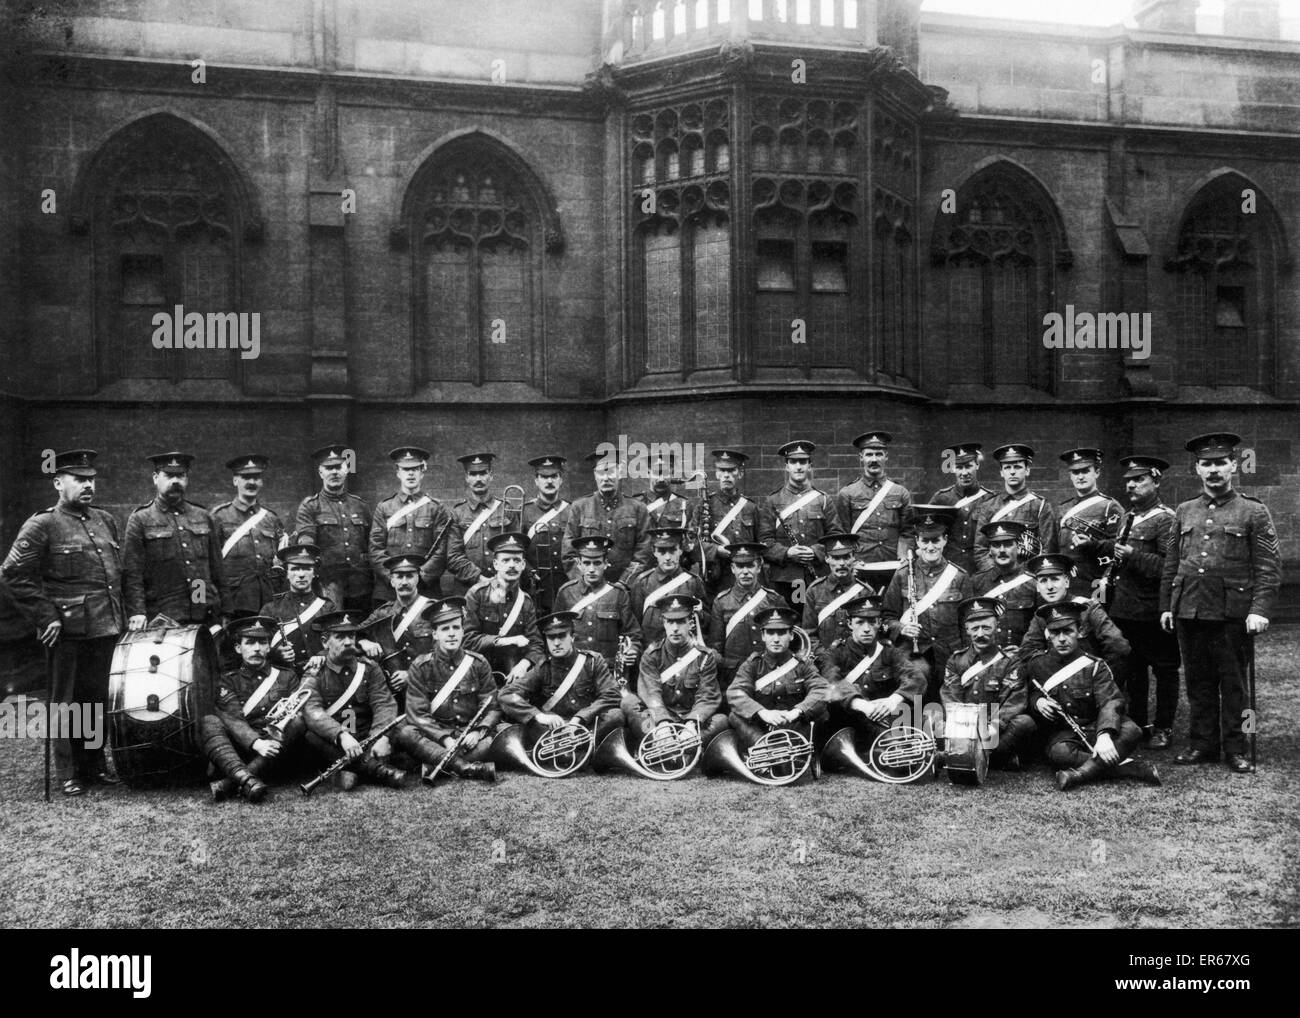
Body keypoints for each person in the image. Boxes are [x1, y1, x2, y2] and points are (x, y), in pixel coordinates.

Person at [1, 449, 124, 795]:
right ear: (58, 482)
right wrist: (45, 615)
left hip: (105, 626)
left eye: (91, 480)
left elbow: (115, 575)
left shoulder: (104, 520)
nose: (88, 486)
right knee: (65, 701)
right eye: (79, 479)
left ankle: (95, 764)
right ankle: (68, 772)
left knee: (96, 698)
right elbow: (11, 575)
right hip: (67, 630)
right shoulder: (42, 524)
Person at [1160, 432, 1280, 773]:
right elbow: (1173, 561)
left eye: (1220, 463)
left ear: (1233, 466)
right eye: (1206, 464)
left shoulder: (1253, 511)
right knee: (1197, 683)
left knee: (1235, 686)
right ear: (1197, 469)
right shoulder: (1184, 510)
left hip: (1233, 614)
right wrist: (1169, 605)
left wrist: (1259, 610)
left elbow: (1268, 566)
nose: (1213, 470)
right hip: (1190, 609)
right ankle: (1203, 743)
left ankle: (1238, 746)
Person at [1024, 602, 1160, 790]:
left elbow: (1110, 701)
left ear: (1079, 631)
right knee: (1059, 753)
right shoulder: (1037, 665)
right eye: (1055, 633)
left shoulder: (1095, 665)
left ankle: (1078, 775)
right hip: (1066, 734)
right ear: (1047, 634)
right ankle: (1129, 768)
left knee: (1132, 731)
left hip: (1096, 726)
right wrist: (1037, 701)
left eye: (1068, 631)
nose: (1062, 639)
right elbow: (1030, 692)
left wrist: (1104, 735)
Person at [1098, 455, 1180, 749]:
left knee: (1165, 669)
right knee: (1133, 670)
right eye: (1129, 481)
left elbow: (1167, 567)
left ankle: (1164, 728)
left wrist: (1132, 555)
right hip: (1126, 608)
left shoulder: (1167, 520)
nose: (1131, 485)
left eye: (1139, 480)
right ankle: (1140, 722)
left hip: (1154, 610)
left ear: (1156, 481)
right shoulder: (1127, 516)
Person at [200, 615, 304, 803]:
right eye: (249, 642)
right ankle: (247, 779)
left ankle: (233, 781)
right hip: (244, 748)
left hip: (277, 750)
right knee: (209, 721)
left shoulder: (287, 677)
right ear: (238, 648)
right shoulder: (227, 680)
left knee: (298, 721)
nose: (256, 648)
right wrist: (258, 744)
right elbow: (233, 719)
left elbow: (294, 712)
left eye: (262, 642)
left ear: (269, 647)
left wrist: (270, 742)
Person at [394, 598, 499, 783]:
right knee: (406, 733)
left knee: (498, 735)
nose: (451, 634)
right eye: (444, 629)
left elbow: (492, 707)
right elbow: (417, 715)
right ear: (434, 634)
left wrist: (478, 732)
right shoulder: (420, 666)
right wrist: (445, 739)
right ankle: (464, 767)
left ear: (462, 630)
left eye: (456, 627)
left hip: (470, 736)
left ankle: (436, 764)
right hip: (436, 736)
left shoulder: (479, 663)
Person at [299, 611, 406, 790]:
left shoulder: (370, 668)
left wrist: (380, 737)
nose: (348, 642)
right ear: (325, 641)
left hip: (367, 736)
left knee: (403, 728)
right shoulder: (315, 672)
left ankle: (356, 766)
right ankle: (378, 770)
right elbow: (311, 710)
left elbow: (383, 704)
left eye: (351, 635)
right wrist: (341, 735)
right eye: (340, 637)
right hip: (335, 744)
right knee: (309, 734)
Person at [497, 610, 626, 751]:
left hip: (586, 724)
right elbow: (506, 694)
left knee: (616, 715)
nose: (556, 643)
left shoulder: (593, 662)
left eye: (562, 636)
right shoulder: (542, 668)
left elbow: (612, 694)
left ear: (572, 637)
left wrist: (580, 718)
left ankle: (571, 749)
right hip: (555, 728)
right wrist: (539, 716)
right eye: (551, 638)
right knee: (532, 726)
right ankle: (580, 750)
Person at [880, 505, 972, 703]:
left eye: (936, 540)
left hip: (950, 653)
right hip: (913, 655)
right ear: (917, 541)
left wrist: (966, 657)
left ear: (945, 540)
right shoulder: (903, 573)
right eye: (925, 541)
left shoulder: (959, 577)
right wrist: (902, 628)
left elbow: (968, 623)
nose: (930, 547)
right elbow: (886, 618)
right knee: (917, 691)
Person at [123, 451, 223, 629]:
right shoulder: (141, 519)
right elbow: (132, 573)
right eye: (169, 475)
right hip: (163, 616)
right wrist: (137, 611)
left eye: (181, 476)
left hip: (204, 613)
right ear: (155, 478)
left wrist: (225, 612)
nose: (175, 481)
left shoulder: (203, 516)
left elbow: (217, 569)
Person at [369, 445, 481, 603]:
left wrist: (419, 579)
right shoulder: (384, 508)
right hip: (388, 592)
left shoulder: (436, 508)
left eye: (415, 468)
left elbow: (441, 552)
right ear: (397, 471)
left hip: (426, 590)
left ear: (422, 471)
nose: (410, 473)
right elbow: (375, 550)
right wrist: (396, 579)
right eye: (405, 469)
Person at [939, 597, 1035, 770]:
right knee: (933, 719)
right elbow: (950, 697)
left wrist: (993, 728)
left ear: (997, 626)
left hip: (994, 731)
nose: (980, 634)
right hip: (964, 727)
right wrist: (965, 728)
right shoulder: (956, 661)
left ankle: (962, 757)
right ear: (967, 629)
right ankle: (995, 759)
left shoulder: (1010, 662)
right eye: (975, 628)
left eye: (986, 627)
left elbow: (1014, 701)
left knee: (1024, 723)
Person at [626, 594, 728, 757]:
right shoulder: (652, 655)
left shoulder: (705, 656)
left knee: (721, 720)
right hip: (660, 718)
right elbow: (651, 692)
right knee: (629, 703)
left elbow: (708, 696)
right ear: (664, 623)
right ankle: (679, 746)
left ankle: (668, 747)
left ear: (690, 623)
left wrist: (692, 722)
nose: (675, 628)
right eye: (670, 621)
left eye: (680, 621)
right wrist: (663, 722)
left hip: (691, 718)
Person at [726, 606, 828, 753]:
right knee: (735, 715)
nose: (775, 639)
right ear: (763, 636)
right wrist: (762, 712)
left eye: (781, 633)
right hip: (761, 729)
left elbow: (821, 690)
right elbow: (735, 692)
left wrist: (797, 712)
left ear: (791, 635)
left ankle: (792, 752)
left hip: (794, 727)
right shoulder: (753, 664)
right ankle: (764, 749)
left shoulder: (803, 665)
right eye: (770, 633)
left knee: (822, 713)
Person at [825, 595, 920, 741]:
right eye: (860, 622)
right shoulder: (836, 652)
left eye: (872, 622)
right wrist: (862, 705)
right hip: (847, 724)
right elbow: (830, 681)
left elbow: (915, 677)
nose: (866, 629)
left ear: (879, 623)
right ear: (849, 624)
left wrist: (892, 701)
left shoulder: (888, 651)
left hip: (884, 720)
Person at [1019, 554, 1130, 677]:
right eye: (1043, 581)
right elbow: (1027, 651)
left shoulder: (1088, 608)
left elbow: (1119, 646)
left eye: (1055, 579)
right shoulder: (1041, 615)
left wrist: (1102, 678)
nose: (1050, 587)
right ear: (1038, 587)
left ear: (1066, 582)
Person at [294, 443, 372, 612]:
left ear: (346, 469)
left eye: (338, 467)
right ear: (320, 472)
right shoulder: (310, 507)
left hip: (361, 585)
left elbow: (371, 544)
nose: (334, 472)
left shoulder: (360, 506)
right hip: (328, 586)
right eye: (329, 468)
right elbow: (306, 542)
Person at [553, 534, 642, 680]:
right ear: (579, 564)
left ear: (606, 563)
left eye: (597, 563)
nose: (592, 569)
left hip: (608, 673)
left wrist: (632, 649)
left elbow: (633, 634)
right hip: (574, 671)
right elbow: (555, 632)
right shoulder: (566, 593)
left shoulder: (618, 595)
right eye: (587, 563)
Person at [759, 440, 837, 605]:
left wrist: (815, 551)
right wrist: (787, 553)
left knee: (817, 619)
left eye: (803, 461)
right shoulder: (773, 500)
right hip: (787, 577)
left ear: (810, 465)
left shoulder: (823, 499)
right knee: (793, 620)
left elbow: (835, 537)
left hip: (818, 574)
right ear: (787, 467)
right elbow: (764, 541)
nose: (798, 466)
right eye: (793, 462)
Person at [462, 532, 544, 683]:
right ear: (495, 564)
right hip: (479, 673)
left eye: (516, 560)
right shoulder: (477, 594)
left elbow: (536, 644)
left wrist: (524, 664)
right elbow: (467, 640)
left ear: (523, 564)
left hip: (513, 674)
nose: (512, 565)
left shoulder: (526, 601)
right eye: (506, 560)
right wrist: (505, 640)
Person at [706, 542, 788, 695]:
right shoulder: (721, 602)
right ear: (732, 569)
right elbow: (716, 647)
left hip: (769, 675)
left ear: (759, 567)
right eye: (740, 566)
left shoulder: (773, 599)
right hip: (734, 677)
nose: (745, 571)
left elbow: (787, 641)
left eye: (750, 565)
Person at [210, 454, 286, 616]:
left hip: (268, 600)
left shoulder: (271, 519)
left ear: (261, 482)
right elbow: (210, 564)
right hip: (235, 602)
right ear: (235, 480)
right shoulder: (219, 517)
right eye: (245, 477)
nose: (251, 482)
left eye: (256, 477)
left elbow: (282, 562)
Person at [562, 449, 653, 585]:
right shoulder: (580, 507)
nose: (606, 478)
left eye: (610, 471)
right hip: (589, 590)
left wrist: (623, 584)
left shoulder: (637, 508)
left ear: (620, 473)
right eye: (601, 473)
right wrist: (585, 582)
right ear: (595, 475)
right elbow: (569, 553)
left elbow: (643, 554)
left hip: (626, 588)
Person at [355, 554, 435, 701]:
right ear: (392, 581)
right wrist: (363, 642)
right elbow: (353, 635)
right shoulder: (383, 612)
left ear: (417, 578)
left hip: (427, 689)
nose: (404, 582)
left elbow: (445, 653)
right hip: (393, 693)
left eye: (409, 576)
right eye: (399, 577)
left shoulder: (432, 610)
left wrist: (412, 674)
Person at [971, 444, 1058, 571]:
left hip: (1028, 578)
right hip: (997, 579)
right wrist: (996, 575)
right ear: (1001, 472)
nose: (1012, 471)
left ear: (1027, 470)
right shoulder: (989, 506)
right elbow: (980, 550)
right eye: (1007, 467)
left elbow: (1048, 550)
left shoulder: (1040, 506)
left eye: (1017, 467)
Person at [835, 430, 912, 565]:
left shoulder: (901, 492)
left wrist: (904, 555)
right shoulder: (847, 493)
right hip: (861, 562)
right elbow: (842, 533)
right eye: (869, 455)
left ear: (886, 456)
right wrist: (850, 560)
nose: (874, 459)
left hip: (894, 561)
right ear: (861, 457)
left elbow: (908, 531)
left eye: (879, 454)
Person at [1055, 448, 1124, 598]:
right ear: (1070, 475)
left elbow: (1120, 546)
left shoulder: (1109, 507)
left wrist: (1092, 545)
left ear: (1097, 472)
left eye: (1085, 471)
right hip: (1066, 582)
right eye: (1075, 472)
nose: (1080, 476)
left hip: (1096, 582)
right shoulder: (1063, 509)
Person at [260, 542, 336, 674]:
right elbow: (258, 646)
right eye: (295, 569)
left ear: (314, 573)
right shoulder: (271, 609)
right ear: (287, 573)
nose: (301, 574)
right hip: (285, 678)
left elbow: (338, 639)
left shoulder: (327, 607)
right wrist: (275, 653)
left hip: (320, 675)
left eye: (307, 568)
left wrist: (323, 655)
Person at [629, 527, 709, 649]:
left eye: (672, 551)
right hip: (651, 656)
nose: (667, 557)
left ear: (681, 550)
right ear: (653, 552)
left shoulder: (693, 582)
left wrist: (699, 614)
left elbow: (706, 622)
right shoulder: (642, 583)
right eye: (661, 551)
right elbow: (634, 627)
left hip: (684, 655)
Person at [694, 449, 760, 595]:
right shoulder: (705, 505)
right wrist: (715, 550)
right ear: (716, 474)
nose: (726, 475)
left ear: (740, 473)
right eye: (722, 470)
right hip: (714, 579)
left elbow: (760, 544)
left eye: (731, 470)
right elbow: (691, 543)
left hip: (744, 578)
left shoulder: (750, 507)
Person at [449, 452, 514, 595]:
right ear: (467, 477)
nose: (478, 479)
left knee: (500, 617)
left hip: (502, 586)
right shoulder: (457, 513)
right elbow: (453, 556)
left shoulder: (506, 509)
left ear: (491, 475)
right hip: (467, 588)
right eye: (473, 474)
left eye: (483, 473)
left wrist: (499, 581)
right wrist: (479, 578)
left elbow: (517, 549)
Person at [801, 532, 868, 668]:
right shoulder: (814, 591)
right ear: (826, 558)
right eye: (836, 558)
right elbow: (809, 633)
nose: (841, 563)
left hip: (858, 663)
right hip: (824, 662)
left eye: (846, 557)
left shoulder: (865, 591)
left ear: (853, 558)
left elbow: (870, 632)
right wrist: (825, 658)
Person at [970, 520, 1036, 648]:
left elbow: (1040, 627)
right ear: (990, 550)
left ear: (1018, 547)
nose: (1001, 550)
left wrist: (1024, 651)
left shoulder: (1032, 583)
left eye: (1008, 544)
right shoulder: (977, 582)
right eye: (996, 545)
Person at [521, 454, 573, 614]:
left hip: (566, 583)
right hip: (536, 586)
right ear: (536, 480)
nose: (549, 481)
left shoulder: (572, 510)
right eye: (544, 477)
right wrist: (529, 574)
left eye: (554, 476)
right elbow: (517, 549)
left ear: (561, 480)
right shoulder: (525, 511)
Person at [930, 442, 993, 573]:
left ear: (977, 465)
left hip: (979, 569)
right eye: (959, 467)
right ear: (953, 468)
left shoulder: (990, 499)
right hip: (948, 569)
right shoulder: (941, 499)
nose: (964, 473)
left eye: (968, 466)